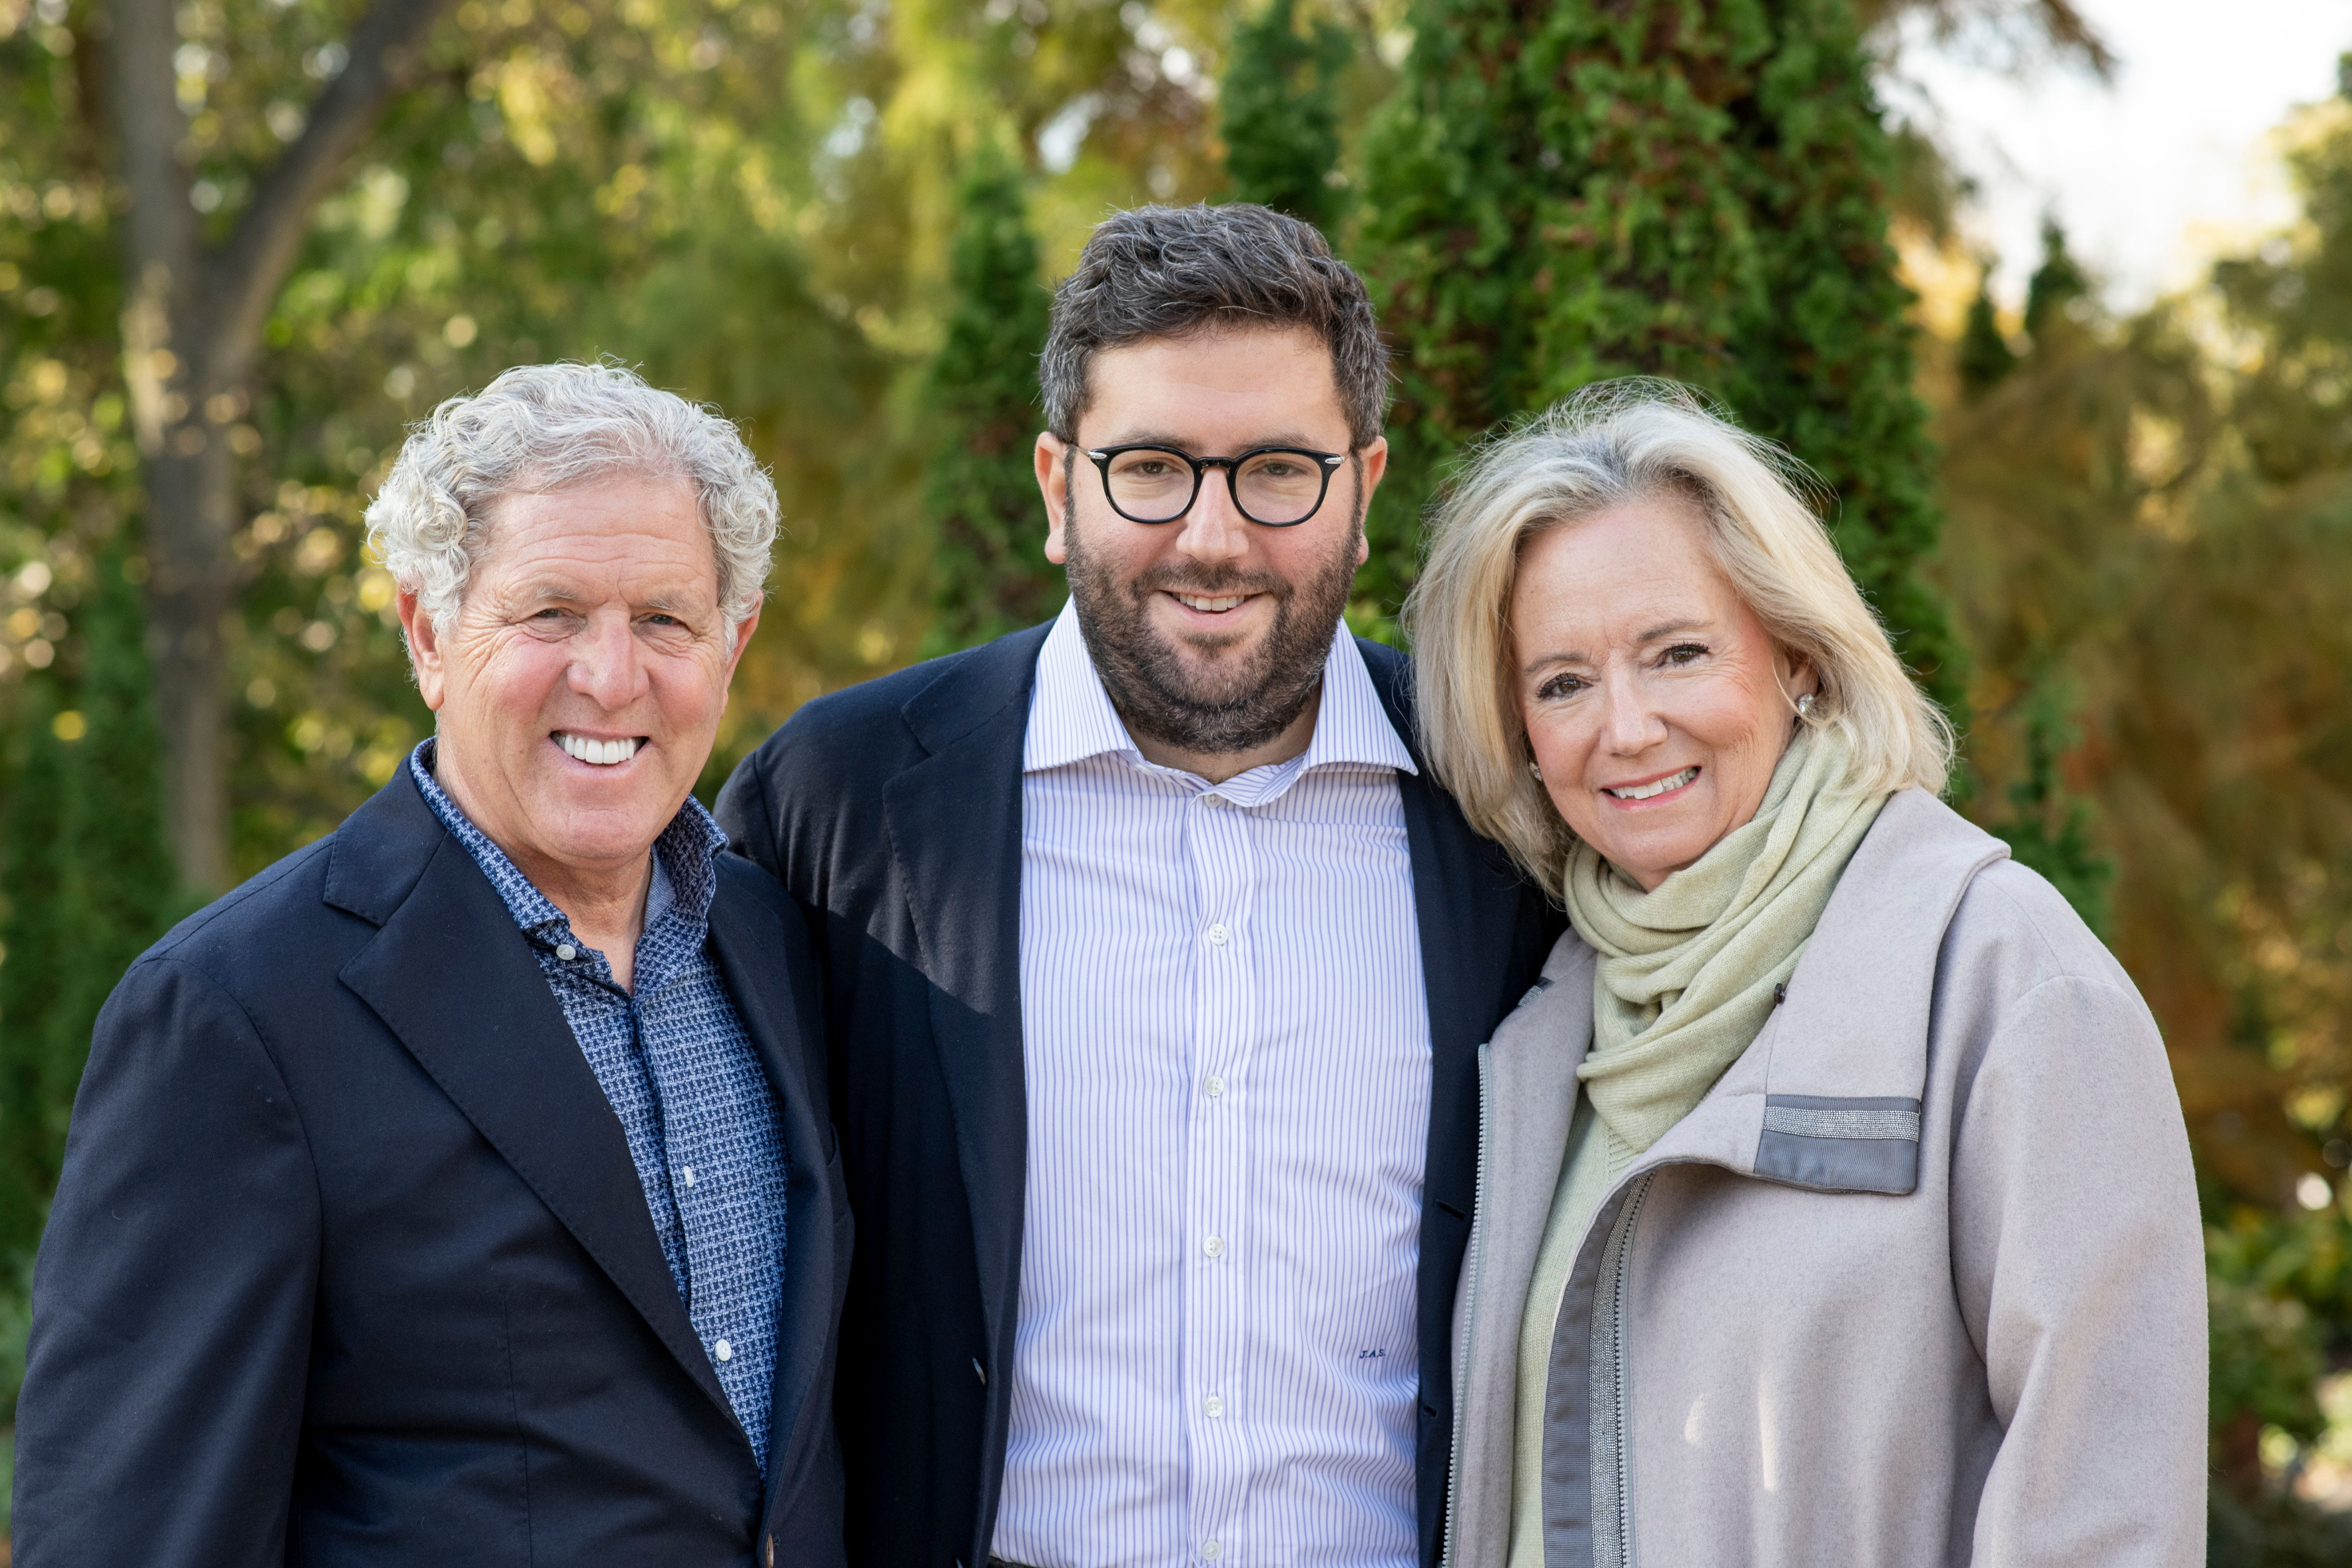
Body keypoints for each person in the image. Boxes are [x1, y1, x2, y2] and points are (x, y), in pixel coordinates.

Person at [717, 203, 1558, 1568]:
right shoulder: (845, 801)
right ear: (1059, 489)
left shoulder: (1502, 803)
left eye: (1280, 470)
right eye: (1152, 468)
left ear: (1365, 485)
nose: (1214, 538)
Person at [13, 363, 850, 1566]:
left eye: (665, 618)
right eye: (549, 613)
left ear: (734, 640)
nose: (612, 678)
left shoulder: (782, 949)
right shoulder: (237, 1012)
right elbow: (135, 1533)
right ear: (429, 634)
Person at [1405, 379, 2207, 1567]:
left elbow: (2107, 1519)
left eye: (1676, 654)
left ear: (1798, 659)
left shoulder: (2005, 985)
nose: (1623, 729)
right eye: (1562, 681)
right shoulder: (1544, 1031)